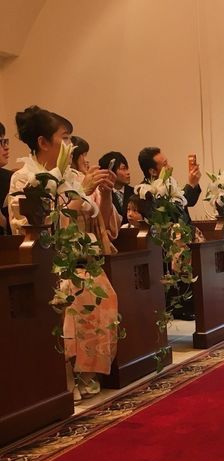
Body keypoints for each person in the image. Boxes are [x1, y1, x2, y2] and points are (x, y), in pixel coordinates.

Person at [8, 105, 121, 402]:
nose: (70, 145)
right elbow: (39, 228)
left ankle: (88, 371)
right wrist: (80, 193)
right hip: (48, 263)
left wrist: (105, 193)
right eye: (65, 137)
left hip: (81, 259)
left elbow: (103, 223)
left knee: (104, 295)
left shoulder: (72, 175)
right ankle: (65, 375)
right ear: (43, 142)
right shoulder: (24, 179)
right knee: (69, 295)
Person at [137, 146, 202, 222]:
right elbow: (171, 214)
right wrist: (190, 185)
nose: (170, 167)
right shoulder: (144, 193)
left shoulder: (169, 183)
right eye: (165, 164)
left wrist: (194, 183)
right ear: (153, 172)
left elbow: (187, 202)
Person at [99, 151, 134, 223]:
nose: (128, 172)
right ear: (110, 171)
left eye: (127, 168)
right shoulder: (101, 194)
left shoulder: (134, 192)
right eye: (123, 169)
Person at [0, 122, 12, 233]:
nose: (6, 147)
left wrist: (3, 221)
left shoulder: (11, 179)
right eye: (1, 142)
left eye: (5, 141)